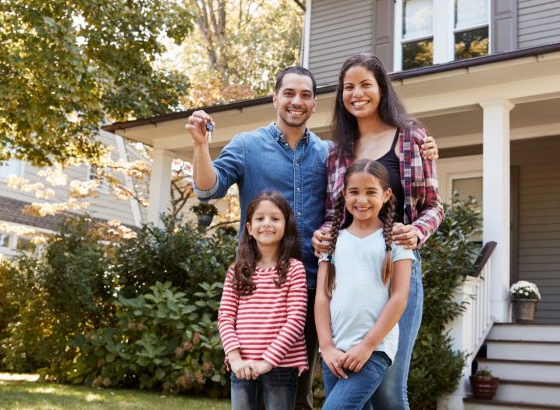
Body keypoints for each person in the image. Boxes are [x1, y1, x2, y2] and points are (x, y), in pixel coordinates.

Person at [186, 65, 438, 410]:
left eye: (306, 95)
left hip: (319, 286)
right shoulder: (248, 145)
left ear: (315, 104)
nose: (296, 101)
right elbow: (207, 188)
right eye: (288, 93)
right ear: (275, 97)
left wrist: (425, 151)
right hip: (263, 288)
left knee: (300, 394)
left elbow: (365, 190)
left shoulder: (330, 153)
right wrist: (201, 146)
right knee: (253, 389)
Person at [313, 53, 443, 409]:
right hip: (349, 272)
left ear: (381, 88)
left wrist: (416, 232)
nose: (357, 93)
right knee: (352, 382)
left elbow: (434, 206)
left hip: (395, 264)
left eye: (365, 84)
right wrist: (323, 235)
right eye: (348, 87)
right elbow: (334, 213)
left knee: (387, 389)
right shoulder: (338, 151)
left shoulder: (412, 137)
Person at [315, 159, 414, 410]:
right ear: (344, 194)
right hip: (335, 352)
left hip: (373, 350)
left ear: (386, 195)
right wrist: (326, 347)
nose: (362, 200)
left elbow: (399, 298)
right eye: (354, 192)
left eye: (371, 192)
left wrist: (367, 346)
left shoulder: (396, 240)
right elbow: (322, 297)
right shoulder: (332, 240)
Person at [218, 192, 308, 410]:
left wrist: (268, 361)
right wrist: (236, 359)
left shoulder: (294, 269)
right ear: (249, 228)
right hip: (243, 367)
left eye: (275, 219)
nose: (267, 224)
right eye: (260, 218)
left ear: (286, 226)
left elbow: (295, 320)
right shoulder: (237, 271)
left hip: (280, 366)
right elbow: (225, 317)